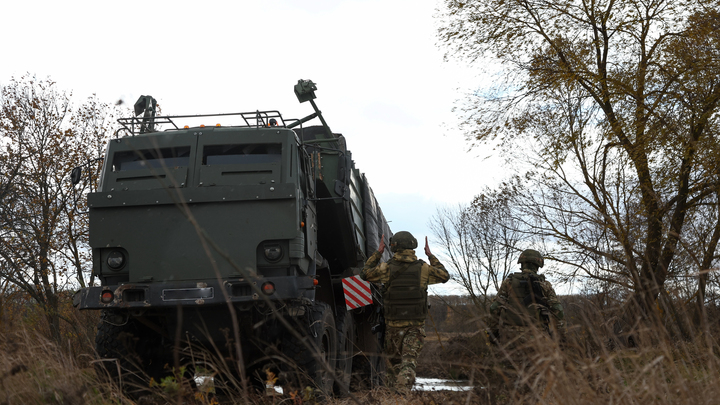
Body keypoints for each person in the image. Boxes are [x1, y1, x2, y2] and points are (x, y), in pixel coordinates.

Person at [360, 231, 450, 395]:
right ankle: (401, 395)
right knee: (408, 362)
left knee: (394, 366)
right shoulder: (423, 268)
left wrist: (378, 252)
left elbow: (365, 273)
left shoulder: (386, 268)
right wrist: (430, 256)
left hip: (393, 328)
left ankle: (392, 397)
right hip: (414, 327)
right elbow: (444, 276)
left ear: (394, 247)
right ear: (413, 245)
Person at [487, 249, 565, 345]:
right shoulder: (544, 284)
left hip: (510, 337)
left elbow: (494, 308)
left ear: (521, 264)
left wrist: (493, 333)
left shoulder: (509, 282)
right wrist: (560, 338)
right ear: (538, 265)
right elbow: (557, 310)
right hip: (538, 337)